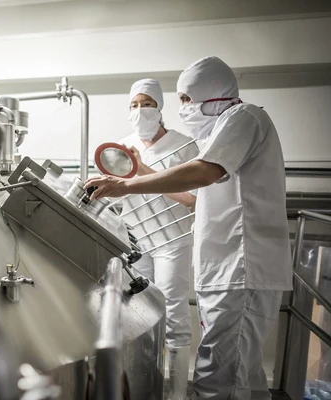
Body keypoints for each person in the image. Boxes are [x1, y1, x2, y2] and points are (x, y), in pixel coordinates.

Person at [87, 56, 292, 399]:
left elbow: (204, 173)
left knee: (220, 379)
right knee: (243, 374)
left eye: (185, 99)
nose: (182, 107)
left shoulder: (243, 117)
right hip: (224, 264)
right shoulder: (220, 129)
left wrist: (128, 183)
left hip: (241, 265)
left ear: (211, 94)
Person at [119, 78, 197, 400]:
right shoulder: (122, 146)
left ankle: (177, 394)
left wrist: (142, 168)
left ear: (160, 107)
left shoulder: (185, 145)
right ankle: (145, 387)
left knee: (174, 316)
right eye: (134, 105)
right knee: (140, 315)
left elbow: (193, 199)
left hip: (173, 242)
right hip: (138, 243)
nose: (140, 111)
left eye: (147, 104)